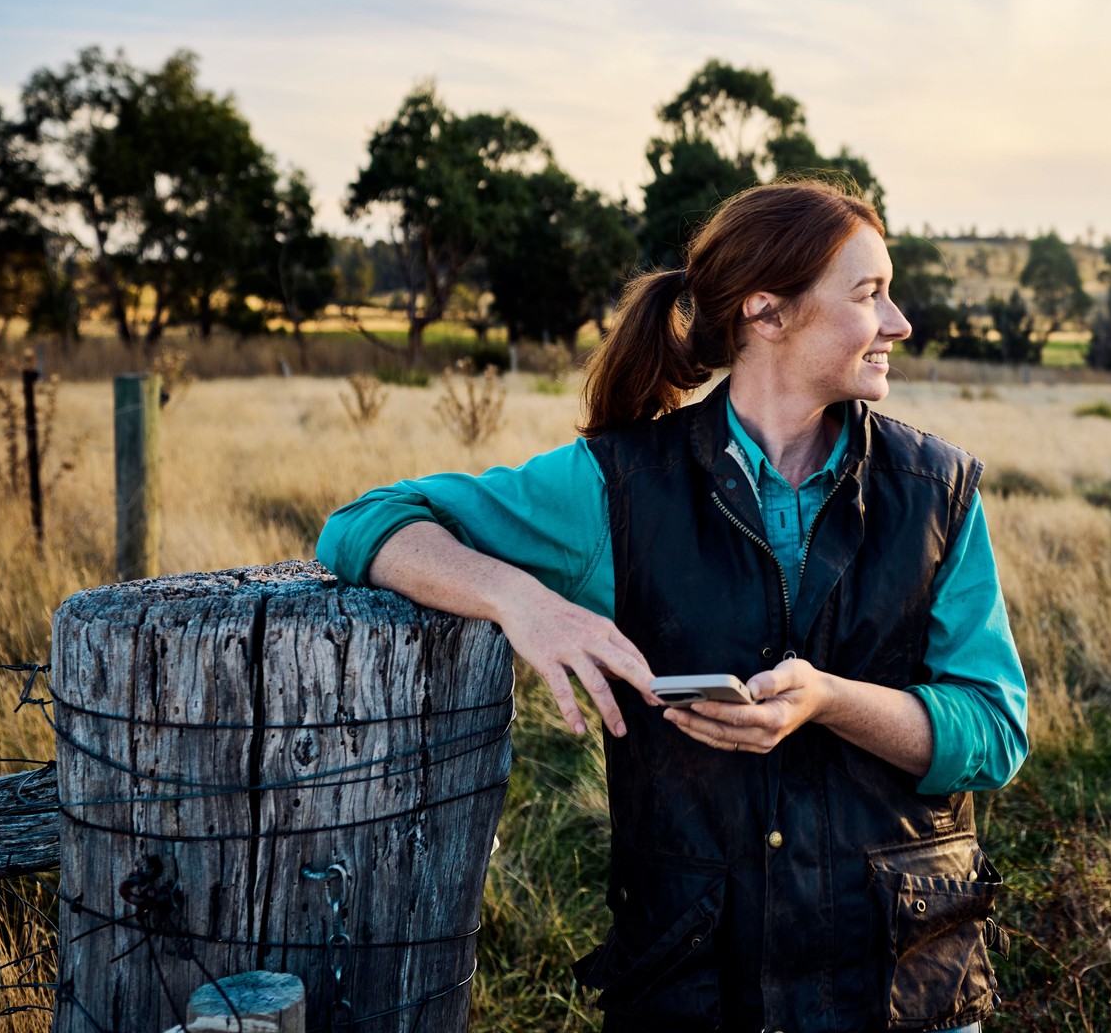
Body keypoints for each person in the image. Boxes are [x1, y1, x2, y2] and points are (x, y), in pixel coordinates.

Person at [316, 178, 1028, 1032]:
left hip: (904, 990)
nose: (898, 322)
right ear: (768, 313)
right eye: (869, 294)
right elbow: (366, 524)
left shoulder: (937, 493)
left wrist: (830, 703)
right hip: (699, 985)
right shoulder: (616, 486)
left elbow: (995, 733)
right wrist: (523, 603)